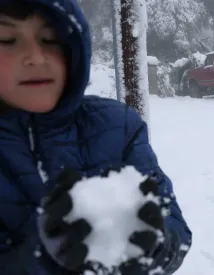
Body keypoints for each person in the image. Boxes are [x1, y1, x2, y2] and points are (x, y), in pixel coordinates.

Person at [0, 0, 192, 274]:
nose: (36, 56)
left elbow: (177, 231)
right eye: (7, 39)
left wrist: (157, 246)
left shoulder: (117, 126)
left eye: (49, 38)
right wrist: (43, 256)